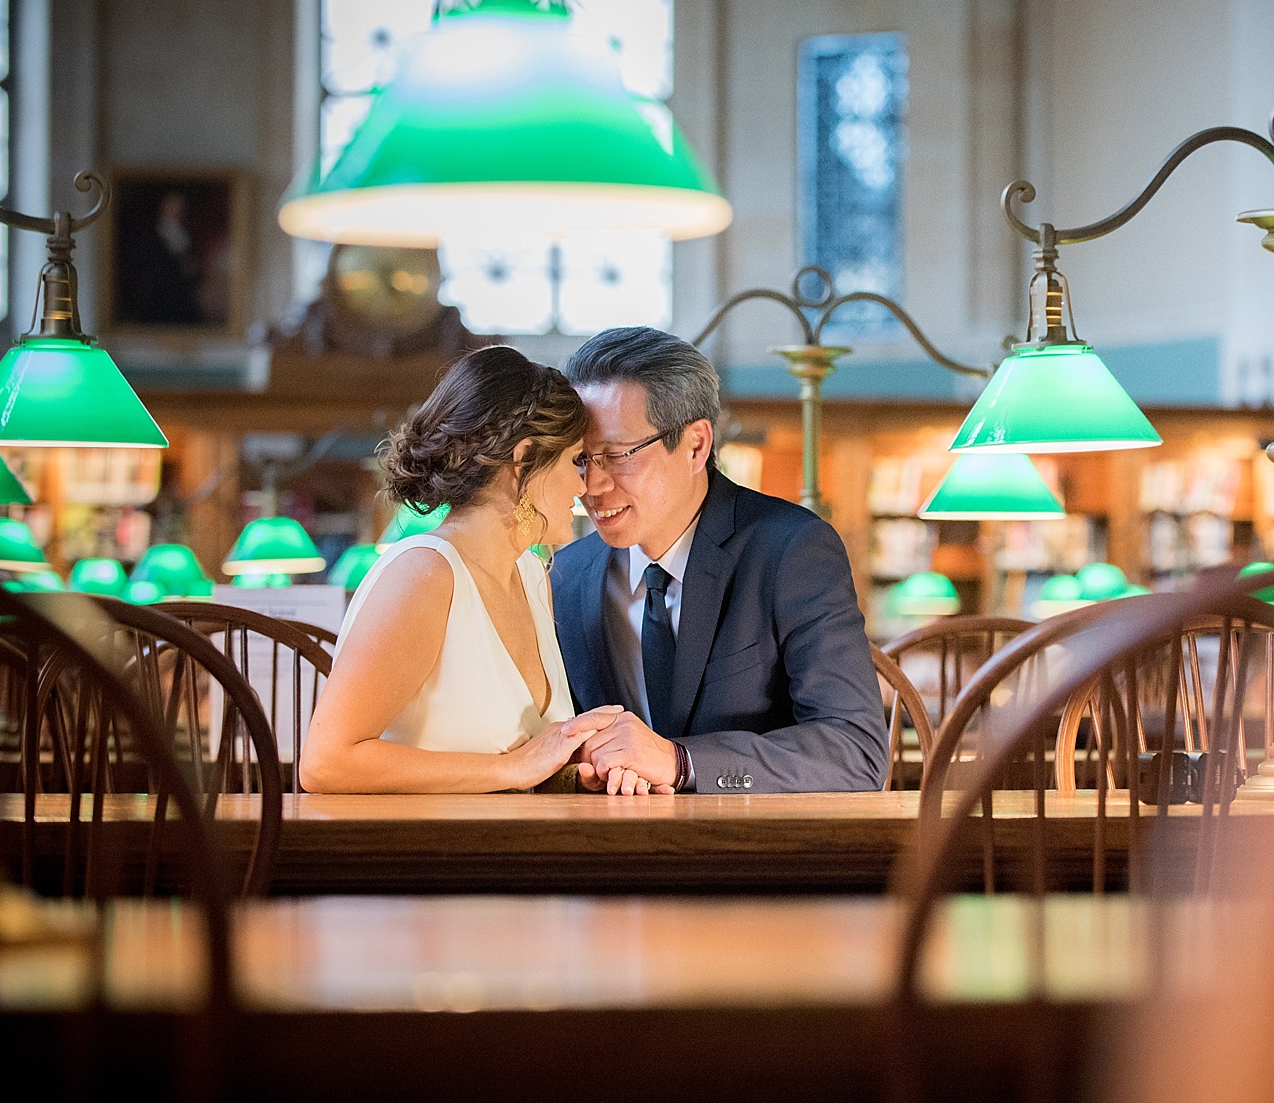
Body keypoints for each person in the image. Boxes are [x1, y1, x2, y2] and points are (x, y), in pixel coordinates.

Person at [550, 327, 888, 793]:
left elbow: (856, 753)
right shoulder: (568, 574)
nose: (592, 486)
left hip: (755, 851)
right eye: (581, 460)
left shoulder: (791, 550)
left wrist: (681, 762)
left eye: (616, 456)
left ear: (696, 445)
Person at [300, 345, 640, 794]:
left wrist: (571, 767)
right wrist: (514, 769)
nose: (585, 485)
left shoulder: (534, 574)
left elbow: (517, 759)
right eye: (575, 461)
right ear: (523, 461)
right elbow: (326, 764)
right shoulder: (423, 575)